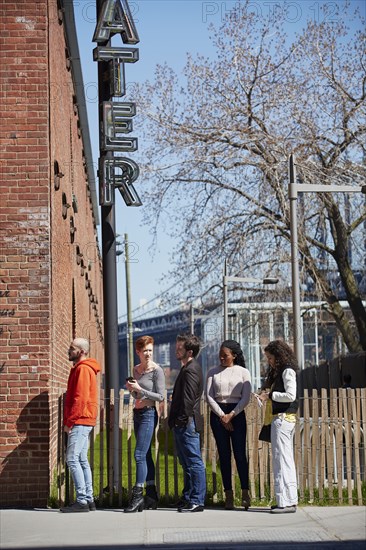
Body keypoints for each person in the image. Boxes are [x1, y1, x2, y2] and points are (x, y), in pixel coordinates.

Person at [206, 340, 252, 510]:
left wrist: (232, 415)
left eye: (225, 355)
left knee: (240, 454)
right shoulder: (212, 372)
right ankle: (229, 495)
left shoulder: (243, 372)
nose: (222, 358)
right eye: (220, 355)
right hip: (218, 414)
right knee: (224, 455)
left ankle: (245, 493)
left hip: (237, 414)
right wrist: (222, 415)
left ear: (234, 355)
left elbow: (246, 397)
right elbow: (209, 396)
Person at [124, 335, 165, 512]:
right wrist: (132, 390)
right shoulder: (136, 369)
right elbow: (137, 395)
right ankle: (152, 495)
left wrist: (141, 390)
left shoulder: (157, 371)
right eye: (145, 351)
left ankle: (138, 495)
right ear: (138, 352)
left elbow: (161, 396)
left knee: (139, 455)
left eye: (150, 350)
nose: (148, 354)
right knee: (146, 454)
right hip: (137, 413)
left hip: (149, 414)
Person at [258, 339, 299, 514]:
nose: (269, 361)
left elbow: (290, 395)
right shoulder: (281, 371)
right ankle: (287, 500)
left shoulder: (287, 371)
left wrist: (271, 395)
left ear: (278, 355)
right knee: (284, 459)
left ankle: (285, 502)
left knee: (281, 460)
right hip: (282, 418)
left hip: (283, 419)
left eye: (270, 357)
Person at [61, 338, 101, 513]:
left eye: (72, 348)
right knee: (82, 459)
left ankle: (82, 501)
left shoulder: (83, 369)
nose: (69, 351)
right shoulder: (81, 369)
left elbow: (81, 398)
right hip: (84, 419)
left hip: (80, 419)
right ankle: (89, 499)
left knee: (72, 458)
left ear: (82, 351)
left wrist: (69, 422)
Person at [168, 334, 206, 512]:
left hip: (187, 423)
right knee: (186, 463)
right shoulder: (187, 368)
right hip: (184, 422)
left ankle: (197, 500)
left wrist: (180, 421)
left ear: (189, 352)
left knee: (194, 462)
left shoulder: (191, 370)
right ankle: (188, 497)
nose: (177, 350)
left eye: (180, 348)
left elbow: (189, 400)